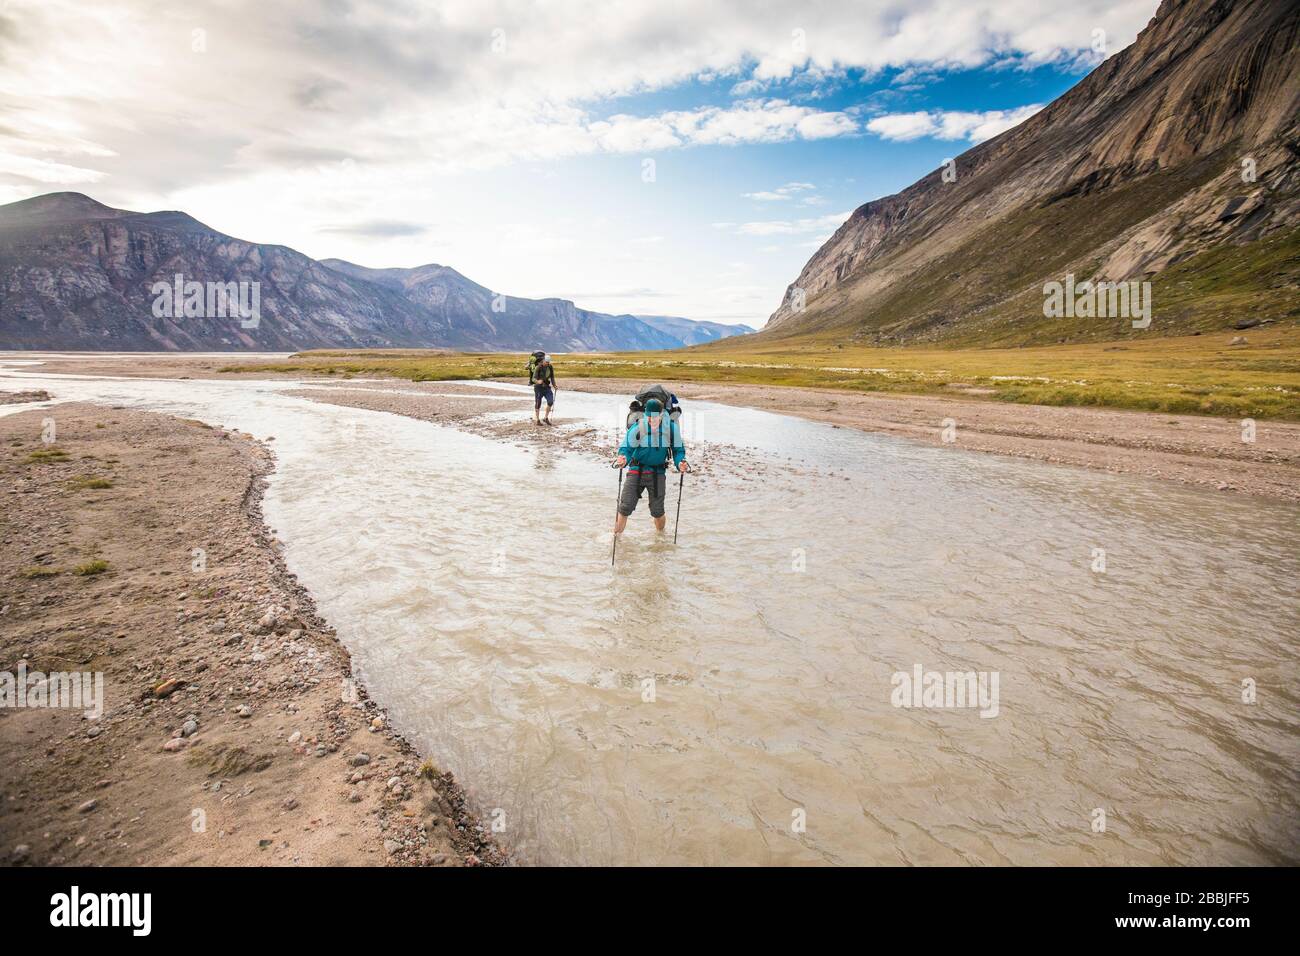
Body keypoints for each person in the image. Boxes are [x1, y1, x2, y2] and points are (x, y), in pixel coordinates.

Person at [612, 398, 689, 534]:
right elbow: (627, 448)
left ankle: (660, 536)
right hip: (636, 470)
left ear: (661, 415)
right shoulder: (639, 427)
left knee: (658, 512)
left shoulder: (671, 428)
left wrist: (680, 463)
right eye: (648, 417)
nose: (651, 420)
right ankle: (616, 538)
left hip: (657, 472)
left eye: (654, 417)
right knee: (624, 508)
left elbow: (678, 451)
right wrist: (623, 458)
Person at [531, 353, 557, 425]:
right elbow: (533, 378)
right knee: (538, 403)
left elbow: (552, 377)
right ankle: (537, 420)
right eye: (546, 362)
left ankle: (545, 418)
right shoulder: (538, 367)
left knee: (550, 402)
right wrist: (537, 381)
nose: (547, 363)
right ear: (543, 361)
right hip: (538, 388)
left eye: (548, 362)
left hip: (547, 387)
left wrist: (554, 385)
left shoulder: (550, 367)